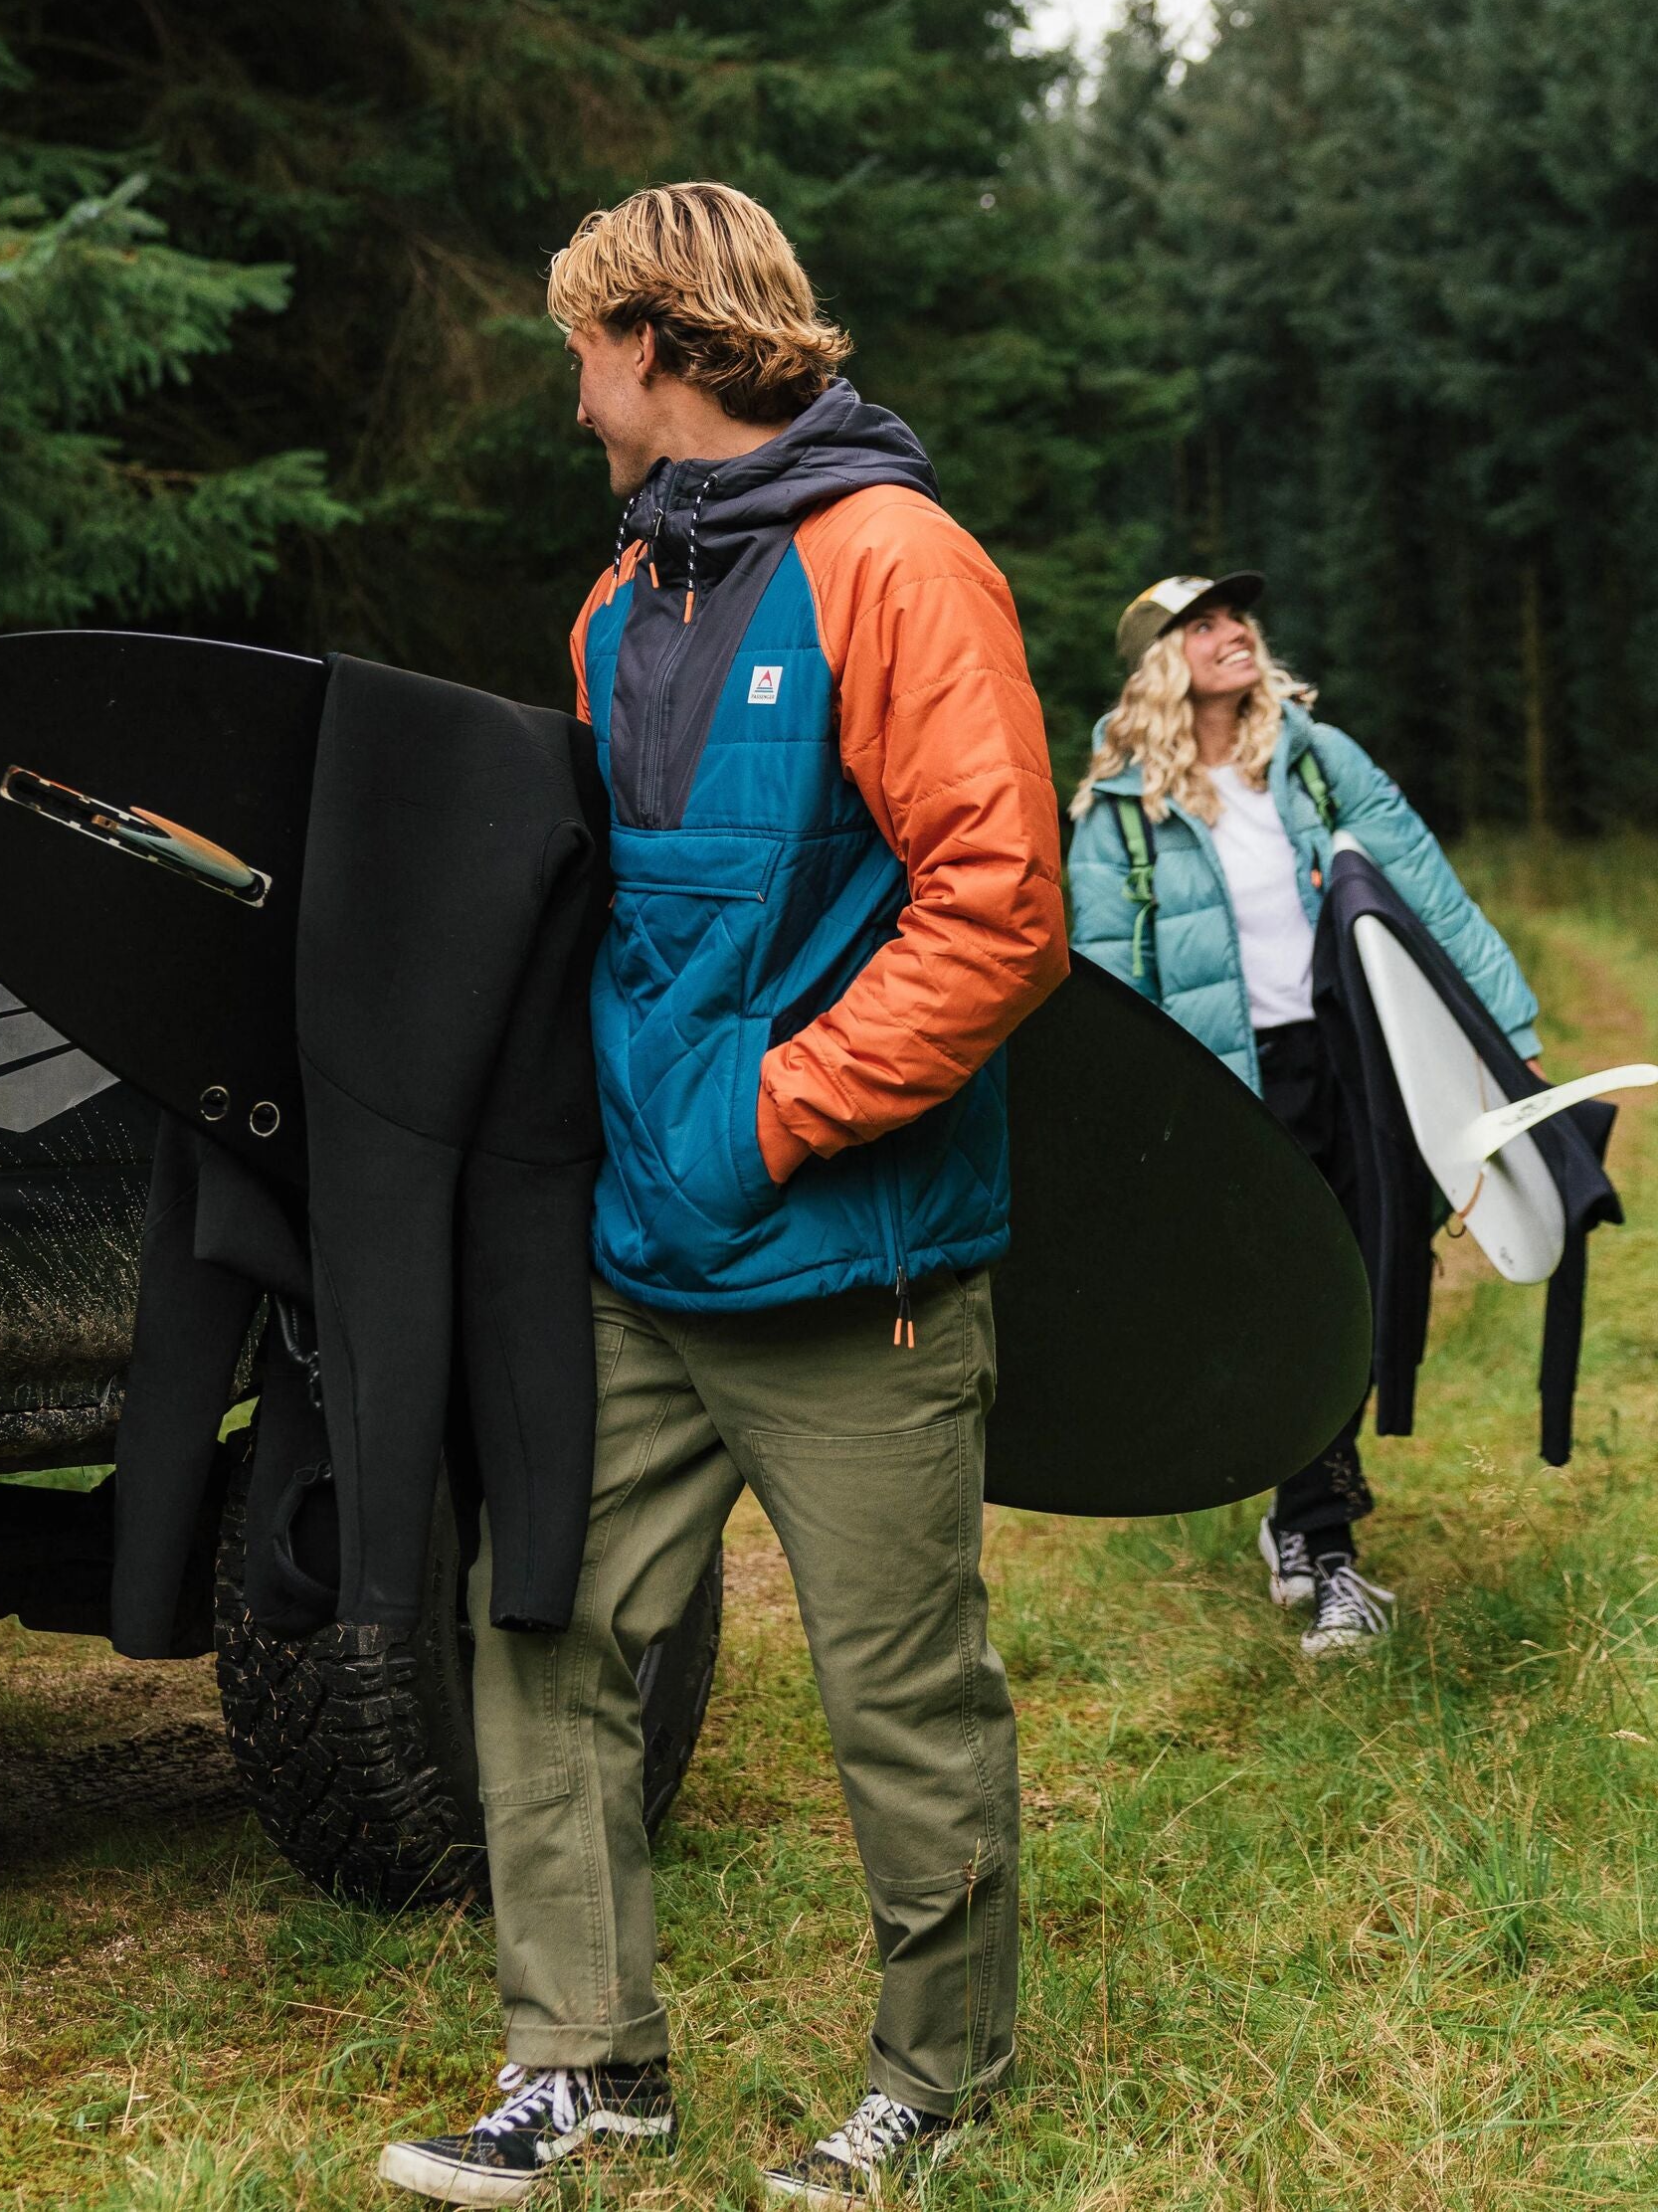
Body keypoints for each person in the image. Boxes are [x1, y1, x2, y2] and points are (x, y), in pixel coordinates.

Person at [378, 182, 1068, 2205]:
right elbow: (622, 923)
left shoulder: (897, 565)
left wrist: (771, 1117)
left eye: (584, 354)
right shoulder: (620, 605)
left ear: (660, 348)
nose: (573, 395)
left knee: (901, 1697)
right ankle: (585, 2060)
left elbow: (999, 910)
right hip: (641, 1258)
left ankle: (939, 2078)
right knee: (544, 1634)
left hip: (851, 1266)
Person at [1066, 575, 1543, 1655]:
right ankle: (1326, 1553)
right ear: (1160, 661)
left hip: (1356, 1063)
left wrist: (1508, 1028)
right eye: (1201, 624)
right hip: (1233, 1091)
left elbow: (1423, 885)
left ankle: (1301, 1518)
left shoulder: (1317, 760)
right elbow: (1105, 978)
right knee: (1297, 1312)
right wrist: (1127, 1129)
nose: (1232, 633)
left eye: (1236, 617)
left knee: (1372, 1290)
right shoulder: (1119, 810)